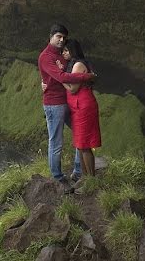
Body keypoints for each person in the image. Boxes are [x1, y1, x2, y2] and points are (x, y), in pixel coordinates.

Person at [38, 24, 95, 185]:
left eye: (63, 37)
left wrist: (44, 81)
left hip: (70, 101)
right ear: (51, 36)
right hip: (54, 104)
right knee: (56, 142)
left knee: (80, 136)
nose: (62, 40)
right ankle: (57, 177)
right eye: (58, 37)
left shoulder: (64, 54)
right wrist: (88, 76)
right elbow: (62, 76)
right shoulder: (46, 56)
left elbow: (75, 64)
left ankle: (78, 171)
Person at [61, 39, 101, 184]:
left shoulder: (78, 65)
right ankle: (87, 178)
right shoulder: (74, 63)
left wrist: (61, 78)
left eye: (66, 50)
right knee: (81, 144)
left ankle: (91, 179)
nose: (63, 53)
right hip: (78, 107)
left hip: (82, 106)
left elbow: (73, 88)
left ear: (73, 51)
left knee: (84, 145)